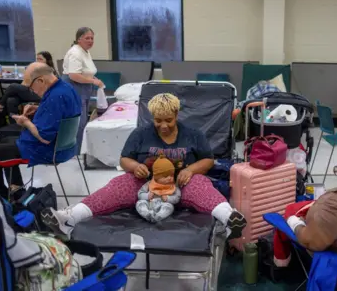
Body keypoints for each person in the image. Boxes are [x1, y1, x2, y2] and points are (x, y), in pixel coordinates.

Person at [41, 93, 247, 239]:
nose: (163, 125)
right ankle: (68, 220)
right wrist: (134, 167)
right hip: (145, 186)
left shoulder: (193, 134)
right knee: (118, 185)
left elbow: (208, 160)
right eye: (158, 120)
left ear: (177, 114)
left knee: (201, 185)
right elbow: (124, 159)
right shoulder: (140, 134)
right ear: (152, 117)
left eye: (169, 120)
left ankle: (230, 219)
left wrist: (190, 170)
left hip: (181, 185)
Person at [0, 63, 81, 198]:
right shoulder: (66, 87)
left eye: (30, 87)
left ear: (40, 80)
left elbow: (44, 138)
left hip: (47, 150)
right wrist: (39, 108)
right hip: (65, 146)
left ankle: (2, 194)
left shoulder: (55, 96)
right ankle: (16, 189)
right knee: (5, 140)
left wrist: (26, 122)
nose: (31, 91)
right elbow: (61, 115)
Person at [62, 27, 105, 153]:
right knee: (78, 121)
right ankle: (74, 151)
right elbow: (73, 75)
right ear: (78, 39)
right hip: (74, 87)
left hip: (83, 88)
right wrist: (93, 81)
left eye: (92, 38)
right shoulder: (75, 52)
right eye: (87, 38)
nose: (90, 41)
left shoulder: (85, 51)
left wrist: (93, 77)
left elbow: (85, 71)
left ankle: (80, 148)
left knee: (83, 120)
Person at [0, 51, 57, 115]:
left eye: (40, 59)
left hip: (41, 95)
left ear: (47, 60)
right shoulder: (35, 70)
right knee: (11, 100)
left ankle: (0, 104)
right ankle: (15, 123)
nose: (38, 61)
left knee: (13, 86)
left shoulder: (49, 71)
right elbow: (25, 83)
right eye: (37, 59)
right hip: (31, 92)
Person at [136, 156, 181, 223]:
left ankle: (158, 216)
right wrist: (147, 196)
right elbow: (140, 194)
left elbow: (177, 197)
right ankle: (146, 213)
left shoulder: (173, 186)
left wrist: (168, 198)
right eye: (165, 176)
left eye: (171, 175)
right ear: (156, 177)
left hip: (163, 204)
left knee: (169, 207)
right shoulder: (149, 184)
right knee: (139, 203)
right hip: (149, 203)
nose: (169, 178)